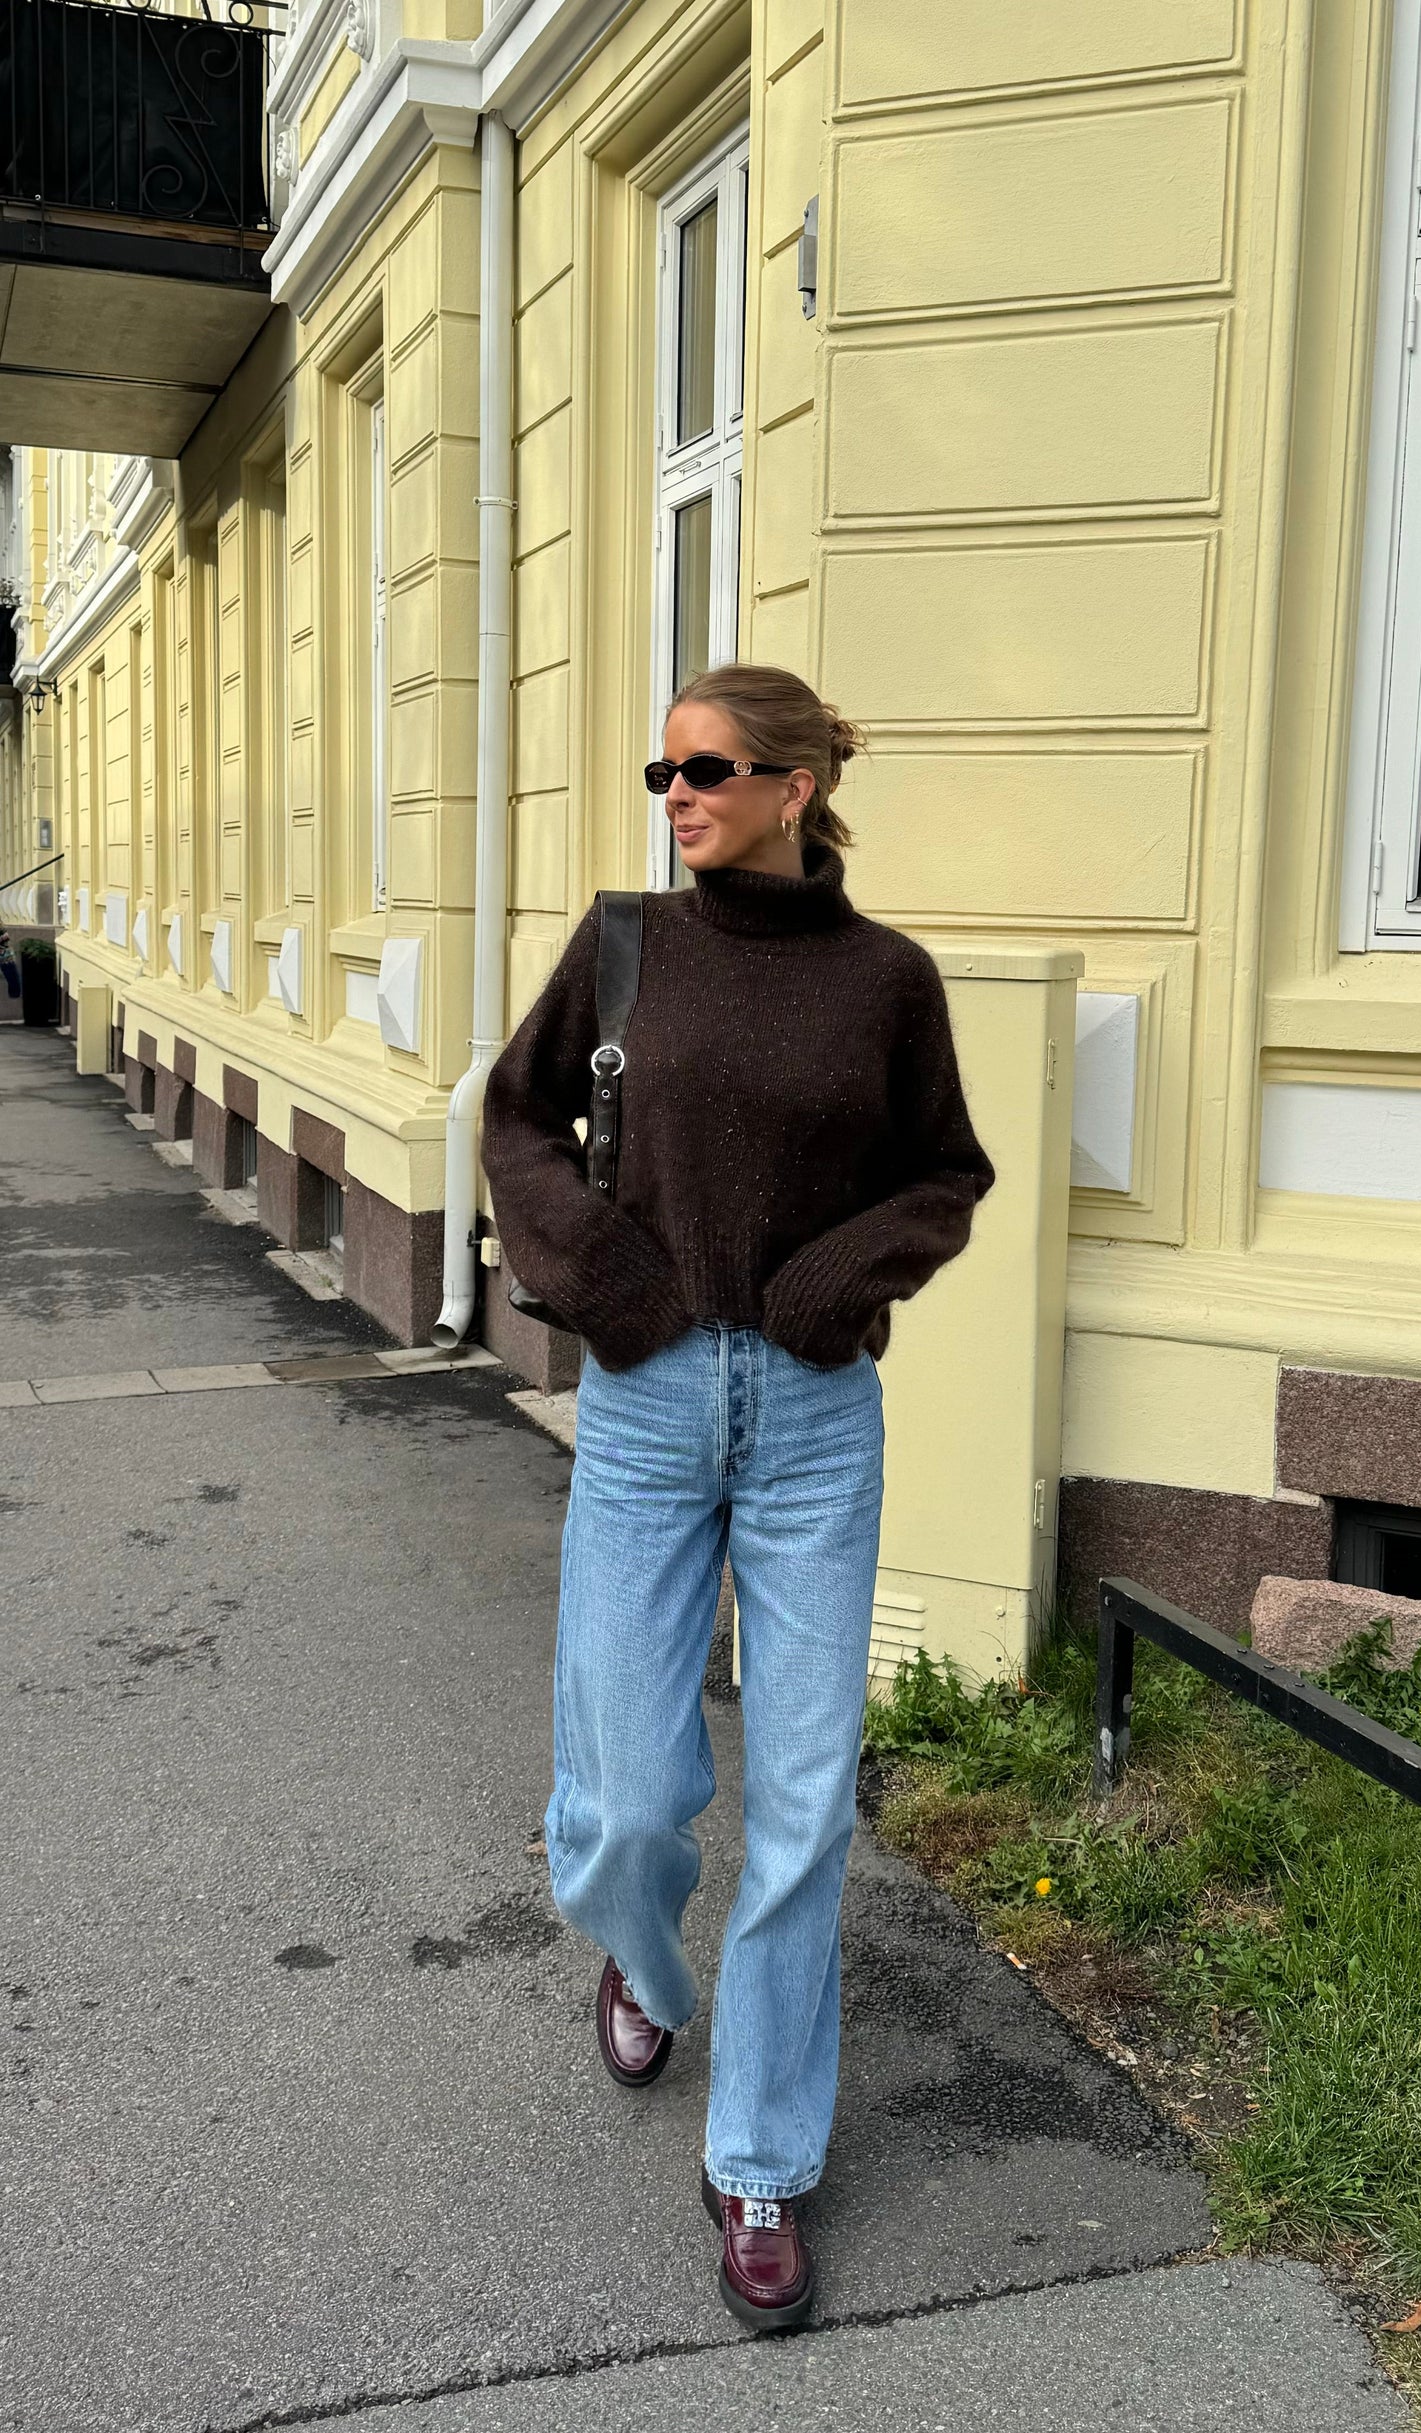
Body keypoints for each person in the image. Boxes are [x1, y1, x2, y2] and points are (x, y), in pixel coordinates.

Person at [481, 662, 994, 2332]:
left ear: (791, 787)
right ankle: (642, 1955)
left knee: (805, 1800)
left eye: (705, 768)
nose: (678, 796)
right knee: (630, 1791)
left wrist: (837, 1278)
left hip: (812, 1420)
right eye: (665, 772)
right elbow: (516, 1122)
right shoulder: (626, 942)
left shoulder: (886, 980)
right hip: (646, 1400)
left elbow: (946, 1171)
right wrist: (613, 1282)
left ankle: (760, 2157)